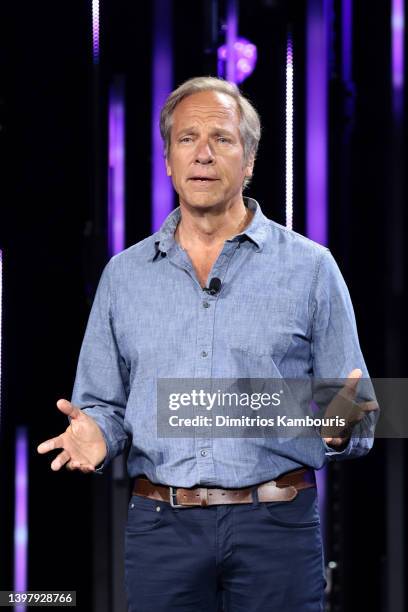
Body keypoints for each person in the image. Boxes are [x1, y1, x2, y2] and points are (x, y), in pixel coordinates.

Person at [37, 76, 378, 611]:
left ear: (248, 162)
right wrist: (98, 435)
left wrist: (343, 426)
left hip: (277, 528)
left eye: (221, 138)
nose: (202, 153)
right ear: (168, 161)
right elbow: (105, 405)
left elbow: (357, 405)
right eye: (187, 138)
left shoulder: (312, 268)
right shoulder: (124, 276)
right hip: (161, 529)